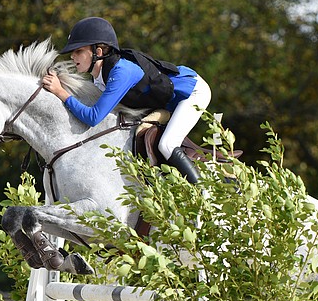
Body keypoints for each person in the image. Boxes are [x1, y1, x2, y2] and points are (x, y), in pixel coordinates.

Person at [42, 17, 210, 183]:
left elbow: (93, 117)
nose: (72, 56)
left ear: (98, 52)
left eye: (78, 51)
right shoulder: (99, 78)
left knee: (167, 144)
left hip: (192, 92)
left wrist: (60, 92)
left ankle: (204, 194)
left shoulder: (121, 72)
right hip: (168, 100)